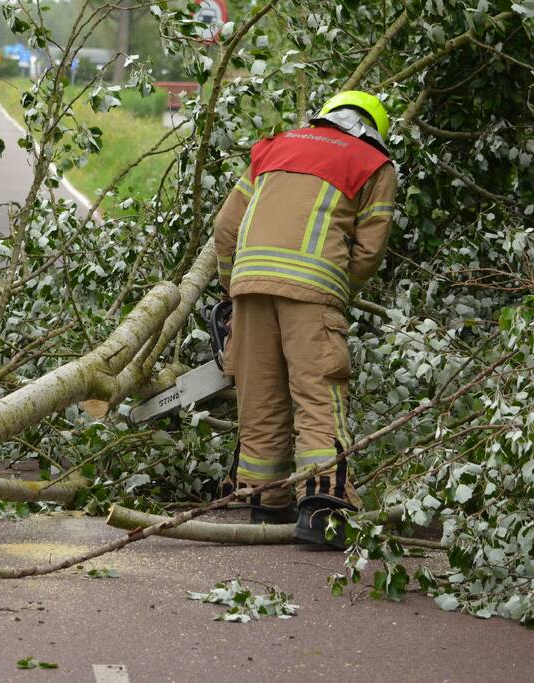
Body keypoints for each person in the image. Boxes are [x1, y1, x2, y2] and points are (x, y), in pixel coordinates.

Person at [213, 91, 398, 547]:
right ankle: (321, 510)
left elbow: (225, 228)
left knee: (259, 397)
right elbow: (370, 251)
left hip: (249, 283)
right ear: (372, 127)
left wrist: (228, 286)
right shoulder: (374, 163)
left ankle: (262, 500)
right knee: (319, 394)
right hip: (313, 290)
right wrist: (338, 291)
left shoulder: (272, 146)